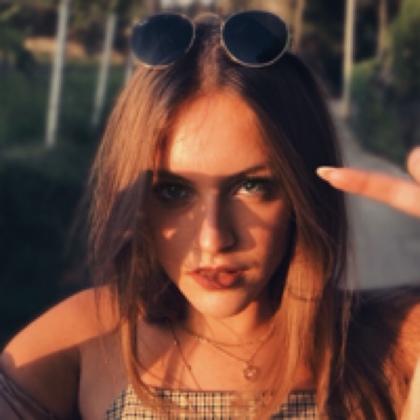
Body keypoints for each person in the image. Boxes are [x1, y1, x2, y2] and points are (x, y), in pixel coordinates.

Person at [1, 10, 420, 419]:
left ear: (302, 192)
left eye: (252, 187)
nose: (213, 239)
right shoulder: (88, 338)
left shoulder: (399, 342)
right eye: (173, 191)